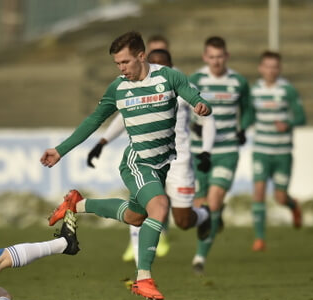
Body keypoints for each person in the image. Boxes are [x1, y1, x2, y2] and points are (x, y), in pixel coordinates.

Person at [40, 31, 212, 300]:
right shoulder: (118, 87)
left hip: (162, 163)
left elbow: (193, 95)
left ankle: (76, 204)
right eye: (117, 64)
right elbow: (93, 121)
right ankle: (143, 278)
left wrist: (202, 106)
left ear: (141, 56)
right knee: (159, 207)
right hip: (137, 162)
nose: (121, 69)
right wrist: (61, 150)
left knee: (136, 217)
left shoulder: (168, 77)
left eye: (125, 62)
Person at [86, 49, 216, 271]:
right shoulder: (136, 85)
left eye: (161, 64)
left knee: (183, 221)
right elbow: (121, 115)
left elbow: (207, 119)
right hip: (146, 157)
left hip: (179, 159)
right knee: (142, 208)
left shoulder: (179, 83)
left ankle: (204, 216)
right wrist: (103, 141)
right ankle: (142, 270)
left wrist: (206, 151)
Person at [189, 36, 254, 274]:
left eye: (220, 56)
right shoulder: (195, 80)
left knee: (213, 203)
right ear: (205, 57)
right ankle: (215, 216)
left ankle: (199, 258)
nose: (216, 61)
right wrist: (192, 126)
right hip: (199, 151)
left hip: (227, 150)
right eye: (212, 57)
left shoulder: (238, 82)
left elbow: (248, 110)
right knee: (199, 206)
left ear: (226, 56)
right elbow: (181, 108)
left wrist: (243, 129)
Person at [250, 50, 305, 251]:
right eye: (267, 66)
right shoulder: (254, 90)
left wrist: (288, 123)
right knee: (258, 192)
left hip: (282, 152)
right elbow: (249, 115)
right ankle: (259, 239)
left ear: (279, 69)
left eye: (275, 67)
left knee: (280, 197)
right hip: (261, 150)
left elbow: (301, 117)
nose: (271, 71)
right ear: (261, 68)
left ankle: (293, 205)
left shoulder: (287, 90)